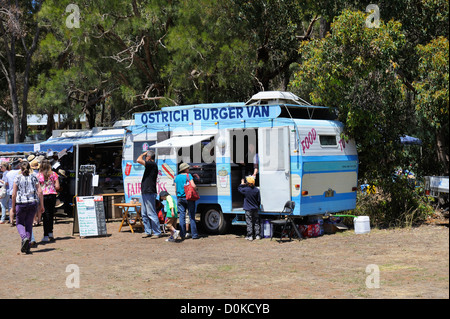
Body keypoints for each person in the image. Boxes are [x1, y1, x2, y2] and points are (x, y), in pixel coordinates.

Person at [12, 161, 44, 254]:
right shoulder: (34, 177)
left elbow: (14, 194)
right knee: (29, 224)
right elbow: (40, 191)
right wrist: (42, 205)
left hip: (21, 203)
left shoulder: (17, 177)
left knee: (19, 223)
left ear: (20, 168)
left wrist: (13, 207)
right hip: (32, 203)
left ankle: (24, 238)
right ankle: (28, 244)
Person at [137, 150, 161, 238]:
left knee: (151, 212)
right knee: (144, 213)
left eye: (146, 156)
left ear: (149, 157)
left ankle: (157, 232)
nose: (145, 157)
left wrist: (142, 154)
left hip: (149, 191)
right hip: (145, 191)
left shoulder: (152, 164)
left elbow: (138, 160)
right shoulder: (151, 165)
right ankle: (148, 231)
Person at [37, 159, 60, 242]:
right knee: (51, 214)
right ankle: (50, 232)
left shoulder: (38, 175)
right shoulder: (54, 174)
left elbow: (37, 188)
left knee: (45, 215)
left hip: (43, 195)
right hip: (52, 194)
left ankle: (45, 235)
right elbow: (57, 186)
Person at [174, 163, 199, 240]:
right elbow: (193, 185)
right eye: (188, 168)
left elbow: (175, 189)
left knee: (181, 216)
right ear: (185, 169)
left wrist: (178, 196)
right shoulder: (189, 176)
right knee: (191, 216)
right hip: (189, 198)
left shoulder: (177, 177)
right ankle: (194, 235)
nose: (189, 169)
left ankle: (182, 234)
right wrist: (196, 190)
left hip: (180, 198)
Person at [238, 176, 261, 241]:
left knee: (249, 222)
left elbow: (239, 189)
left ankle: (250, 236)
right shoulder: (257, 190)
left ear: (248, 183)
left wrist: (242, 184)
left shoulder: (246, 190)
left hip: (248, 209)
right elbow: (259, 200)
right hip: (255, 208)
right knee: (256, 222)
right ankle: (257, 235)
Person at [4, 160, 21, 226]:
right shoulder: (20, 172)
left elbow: (6, 182)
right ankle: (18, 220)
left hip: (11, 192)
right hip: (19, 192)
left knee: (11, 207)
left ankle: (11, 221)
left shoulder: (8, 173)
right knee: (19, 207)